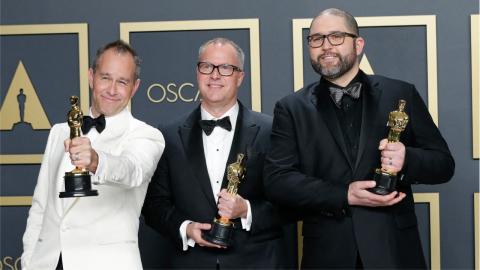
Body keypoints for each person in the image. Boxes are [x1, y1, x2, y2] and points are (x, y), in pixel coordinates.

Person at [264, 8, 455, 269]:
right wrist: (344, 195)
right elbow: (278, 181)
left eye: (336, 37)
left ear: (359, 44)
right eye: (316, 39)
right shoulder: (291, 107)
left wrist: (407, 158)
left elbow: (444, 164)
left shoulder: (400, 93)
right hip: (328, 254)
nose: (326, 46)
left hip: (394, 251)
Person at [142, 37, 286, 269]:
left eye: (226, 68)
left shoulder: (271, 130)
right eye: (207, 66)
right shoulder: (168, 135)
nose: (215, 75)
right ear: (197, 73)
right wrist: (185, 228)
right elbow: (154, 205)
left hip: (257, 262)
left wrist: (247, 210)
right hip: (192, 263)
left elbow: (290, 202)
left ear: (240, 76)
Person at [21, 40, 165, 270]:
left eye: (122, 82)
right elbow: (41, 205)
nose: (111, 89)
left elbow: (132, 171)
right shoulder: (59, 132)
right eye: (105, 78)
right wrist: (29, 261)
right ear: (91, 77)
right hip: (47, 263)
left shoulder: (147, 135)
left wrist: (97, 161)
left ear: (135, 87)